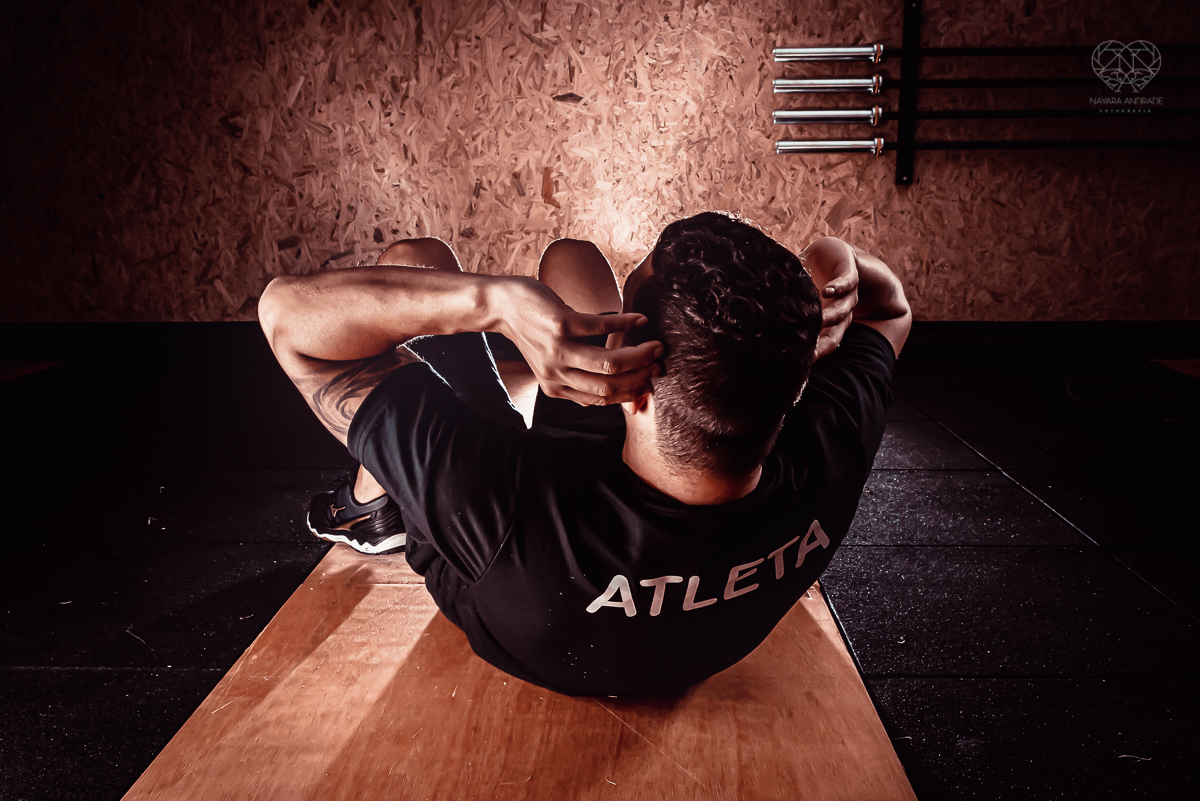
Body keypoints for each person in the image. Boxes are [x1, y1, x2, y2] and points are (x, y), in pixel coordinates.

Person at [257, 211, 911, 696]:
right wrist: (835, 258)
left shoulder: (492, 504)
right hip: (597, 540)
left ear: (630, 385)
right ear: (802, 382)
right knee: (572, 258)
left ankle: (370, 506)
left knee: (419, 258)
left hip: (522, 574)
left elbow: (287, 320)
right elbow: (891, 307)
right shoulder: (827, 451)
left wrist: (493, 302)